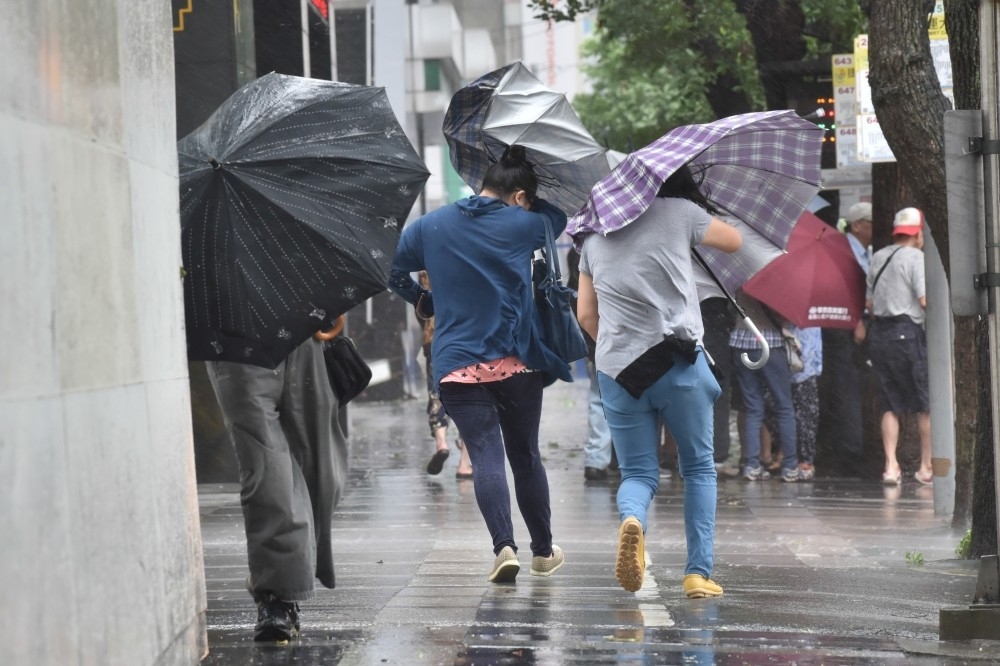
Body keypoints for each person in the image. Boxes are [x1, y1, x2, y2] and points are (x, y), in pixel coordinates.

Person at [389, 145, 567, 583]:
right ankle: (542, 551)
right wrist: (528, 201)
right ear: (520, 194)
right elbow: (557, 222)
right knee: (524, 455)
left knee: (486, 454)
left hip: (456, 366)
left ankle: (503, 547)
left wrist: (424, 300)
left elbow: (393, 271)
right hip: (516, 360)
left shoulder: (429, 226)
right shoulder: (526, 223)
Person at [575, 164, 741, 596]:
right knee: (699, 469)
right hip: (679, 361)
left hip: (619, 371)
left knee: (638, 473)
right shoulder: (679, 212)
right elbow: (734, 241)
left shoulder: (592, 238)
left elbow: (585, 315)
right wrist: (689, 229)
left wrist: (618, 345)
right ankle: (697, 573)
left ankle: (633, 519)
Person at [205, 323, 350, 643]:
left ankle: (288, 567)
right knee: (266, 464)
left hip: (305, 331)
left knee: (320, 466)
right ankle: (277, 594)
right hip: (237, 340)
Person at [865, 207, 931, 486]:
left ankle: (891, 466)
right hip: (908, 332)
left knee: (889, 403)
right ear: (918, 233)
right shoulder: (917, 258)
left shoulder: (878, 257)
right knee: (924, 403)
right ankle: (926, 467)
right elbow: (925, 300)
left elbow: (869, 304)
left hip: (879, 335)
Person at [729, 291, 801, 482]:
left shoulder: (740, 275)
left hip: (741, 342)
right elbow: (786, 315)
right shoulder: (774, 280)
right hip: (771, 343)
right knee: (784, 406)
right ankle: (790, 466)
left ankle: (752, 465)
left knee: (752, 407)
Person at [416, 271, 474, 479]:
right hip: (466, 336)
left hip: (434, 336)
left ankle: (441, 443)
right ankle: (465, 464)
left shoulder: (426, 258)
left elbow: (419, 303)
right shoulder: (469, 249)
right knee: (468, 397)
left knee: (436, 393)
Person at [567, 249, 615, 481]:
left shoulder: (582, 249)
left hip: (596, 336)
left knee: (599, 399)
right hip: (631, 334)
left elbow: (574, 300)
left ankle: (596, 460)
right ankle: (629, 459)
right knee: (635, 399)